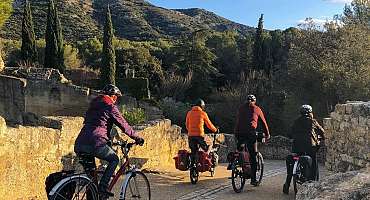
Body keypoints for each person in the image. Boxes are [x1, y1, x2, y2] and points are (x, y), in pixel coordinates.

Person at [74, 84, 144, 197]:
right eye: (116, 97)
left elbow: (97, 123)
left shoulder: (93, 105)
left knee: (92, 179)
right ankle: (103, 188)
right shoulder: (110, 106)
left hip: (80, 143)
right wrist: (137, 138)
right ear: (114, 97)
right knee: (114, 159)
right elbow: (124, 125)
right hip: (95, 142)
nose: (116, 100)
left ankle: (95, 194)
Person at [283, 104, 325, 194]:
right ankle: (314, 182)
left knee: (295, 158)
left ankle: (287, 184)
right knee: (313, 161)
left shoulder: (296, 121)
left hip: (296, 147)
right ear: (310, 113)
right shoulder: (313, 121)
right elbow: (322, 132)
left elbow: (289, 133)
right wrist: (322, 138)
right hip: (310, 147)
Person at [234, 94, 270, 186]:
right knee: (253, 156)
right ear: (255, 101)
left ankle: (238, 163)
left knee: (239, 150)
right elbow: (263, 123)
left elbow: (238, 121)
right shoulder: (257, 109)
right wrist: (267, 134)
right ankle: (253, 180)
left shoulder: (241, 108)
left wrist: (236, 133)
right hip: (251, 133)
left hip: (239, 133)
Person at [186, 99, 218, 167]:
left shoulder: (189, 113)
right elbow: (209, 125)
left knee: (193, 150)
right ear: (202, 106)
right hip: (200, 135)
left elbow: (187, 124)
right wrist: (215, 130)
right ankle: (206, 158)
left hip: (191, 136)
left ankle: (192, 164)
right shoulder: (203, 113)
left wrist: (191, 131)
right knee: (209, 146)